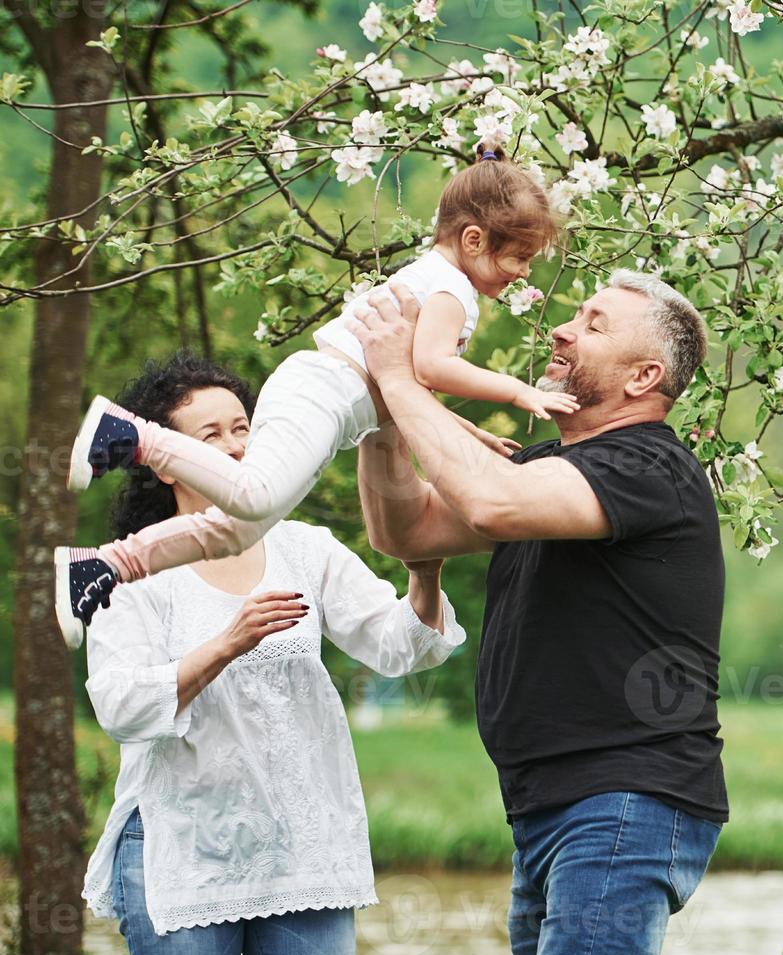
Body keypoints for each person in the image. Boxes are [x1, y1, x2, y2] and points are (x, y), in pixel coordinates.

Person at [350, 271, 727, 955]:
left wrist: (404, 380)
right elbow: (407, 530)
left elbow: (494, 502)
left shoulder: (651, 467)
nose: (561, 328)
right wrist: (381, 415)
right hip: (548, 804)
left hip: (622, 800)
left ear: (644, 377)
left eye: (593, 323)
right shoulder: (550, 468)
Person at [53, 149, 572, 649]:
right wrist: (517, 389)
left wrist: (469, 432)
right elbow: (435, 367)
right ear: (475, 239)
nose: (524, 272)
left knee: (237, 529)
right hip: (321, 396)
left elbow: (410, 386)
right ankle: (131, 435)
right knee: (253, 497)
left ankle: (106, 566)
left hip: (327, 404)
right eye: (519, 257)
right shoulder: (452, 291)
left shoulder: (439, 277)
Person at [80, 352, 466, 955]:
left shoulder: (303, 546)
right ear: (165, 461)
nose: (236, 446)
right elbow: (121, 708)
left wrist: (424, 566)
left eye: (243, 428)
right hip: (184, 850)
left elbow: (402, 646)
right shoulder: (129, 570)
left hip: (305, 850)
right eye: (211, 436)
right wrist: (223, 646)